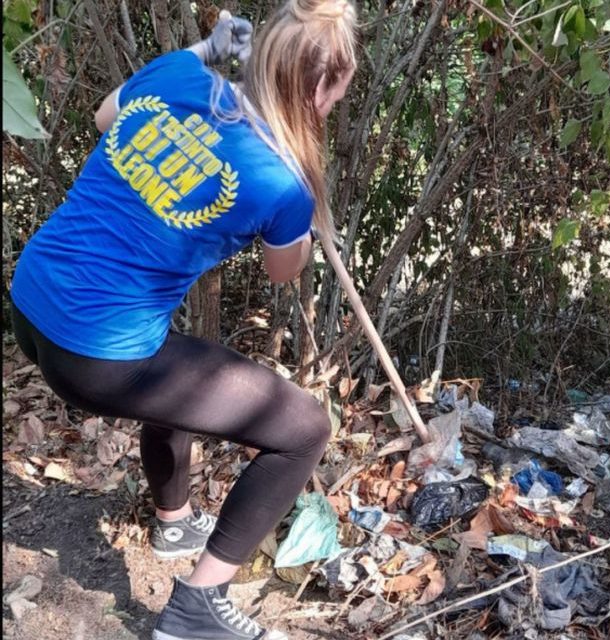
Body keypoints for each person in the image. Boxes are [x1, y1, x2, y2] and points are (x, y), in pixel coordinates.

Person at [9, 1, 357, 638]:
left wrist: (208, 50)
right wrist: (305, 214)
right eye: (337, 91)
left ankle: (175, 525)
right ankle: (198, 607)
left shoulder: (178, 74)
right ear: (318, 87)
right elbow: (286, 270)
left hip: (32, 301)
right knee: (305, 429)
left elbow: (106, 115)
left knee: (183, 374)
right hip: (97, 352)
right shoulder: (283, 179)